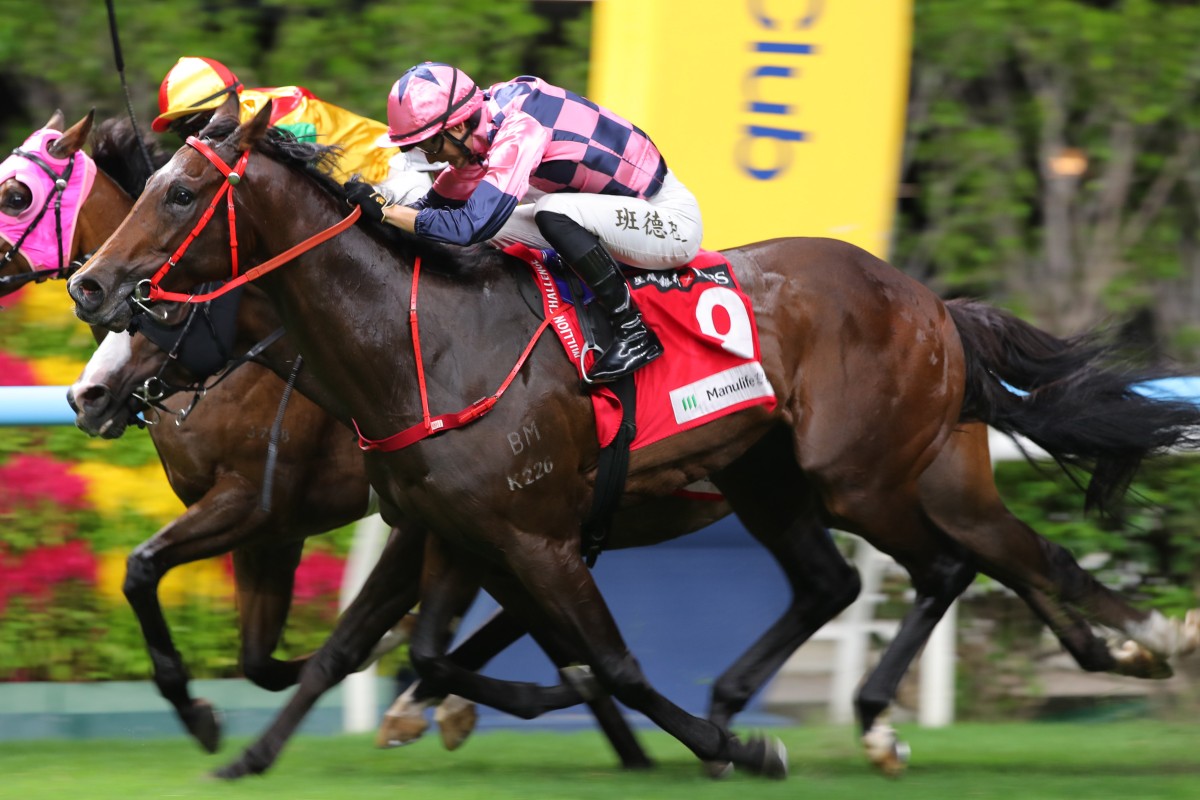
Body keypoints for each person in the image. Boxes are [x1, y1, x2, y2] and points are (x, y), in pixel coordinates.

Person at [344, 62, 704, 384]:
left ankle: (633, 331)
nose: (432, 158)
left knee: (550, 211)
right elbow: (432, 209)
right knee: (507, 221)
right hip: (621, 215)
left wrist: (389, 212)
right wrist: (378, 210)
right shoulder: (482, 133)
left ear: (456, 127)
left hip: (668, 220)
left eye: (431, 146)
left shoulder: (519, 128)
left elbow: (471, 226)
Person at [151, 56, 437, 206]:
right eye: (183, 132)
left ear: (228, 101)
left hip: (395, 173)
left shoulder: (285, 118)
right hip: (359, 188)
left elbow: (308, 200)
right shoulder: (243, 117)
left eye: (197, 124)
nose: (197, 138)